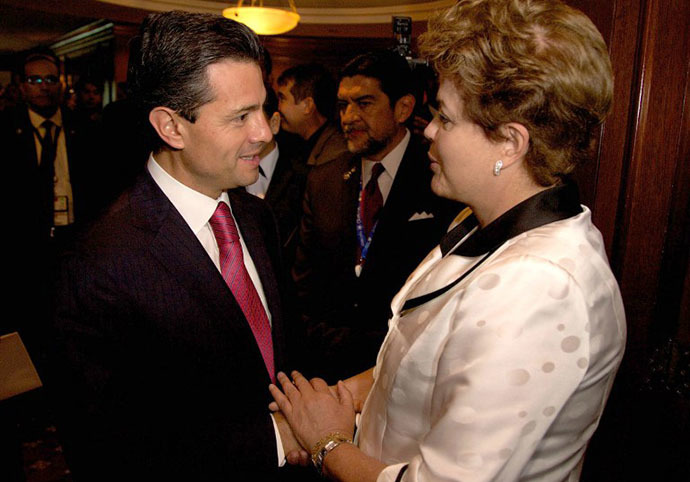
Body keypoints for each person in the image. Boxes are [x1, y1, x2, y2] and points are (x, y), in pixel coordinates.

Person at [270, 1, 626, 481]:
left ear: (510, 142)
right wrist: (336, 402)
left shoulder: (540, 289)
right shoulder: (483, 224)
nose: (429, 131)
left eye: (446, 118)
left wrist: (327, 443)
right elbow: (423, 365)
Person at [48, 11, 306, 481]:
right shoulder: (98, 264)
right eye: (240, 117)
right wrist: (280, 438)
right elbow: (113, 450)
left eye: (264, 109)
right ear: (171, 127)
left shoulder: (254, 216)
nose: (265, 132)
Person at [292, 50, 460, 383]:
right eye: (343, 106)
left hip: (408, 372)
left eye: (364, 104)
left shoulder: (443, 179)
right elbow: (303, 287)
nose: (349, 118)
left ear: (403, 108)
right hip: (328, 372)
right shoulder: (322, 179)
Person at [276, 63, 350, 167]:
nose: (278, 108)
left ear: (307, 105)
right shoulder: (298, 144)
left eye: (282, 98)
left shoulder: (335, 156)